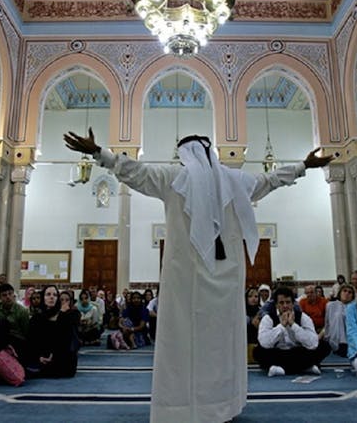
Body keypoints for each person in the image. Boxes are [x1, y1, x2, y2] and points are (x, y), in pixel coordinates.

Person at [64, 128, 332, 423]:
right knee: (220, 346)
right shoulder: (234, 180)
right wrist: (303, 166)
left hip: (184, 284)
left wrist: (99, 152)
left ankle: (184, 410)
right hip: (226, 282)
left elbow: (134, 172)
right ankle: (221, 406)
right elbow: (270, 180)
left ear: (185, 155)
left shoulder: (175, 178)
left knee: (184, 347)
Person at [254, 287, 331, 376]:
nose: (285, 306)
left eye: (288, 302)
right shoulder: (268, 318)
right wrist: (281, 326)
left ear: (293, 303)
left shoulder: (303, 317)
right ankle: (304, 367)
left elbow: (313, 343)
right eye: (281, 303)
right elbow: (265, 342)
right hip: (278, 353)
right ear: (276, 305)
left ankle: (279, 368)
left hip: (298, 352)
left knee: (324, 346)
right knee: (258, 351)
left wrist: (293, 325)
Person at [27, 287, 81, 378]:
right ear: (43, 297)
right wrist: (39, 357)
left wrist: (61, 315)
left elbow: (64, 338)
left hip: (61, 355)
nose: (51, 297)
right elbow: (32, 340)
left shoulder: (65, 315)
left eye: (55, 295)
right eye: (48, 294)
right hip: (42, 356)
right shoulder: (37, 318)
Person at [0, 283, 30, 358]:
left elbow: (25, 333)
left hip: (16, 342)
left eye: (10, 294)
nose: (8, 297)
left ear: (14, 295)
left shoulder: (22, 311)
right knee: (1, 323)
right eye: (4, 295)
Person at [323, 284, 355, 357]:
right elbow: (327, 323)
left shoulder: (355, 307)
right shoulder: (330, 305)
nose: (347, 293)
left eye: (350, 292)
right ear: (340, 293)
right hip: (333, 338)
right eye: (344, 291)